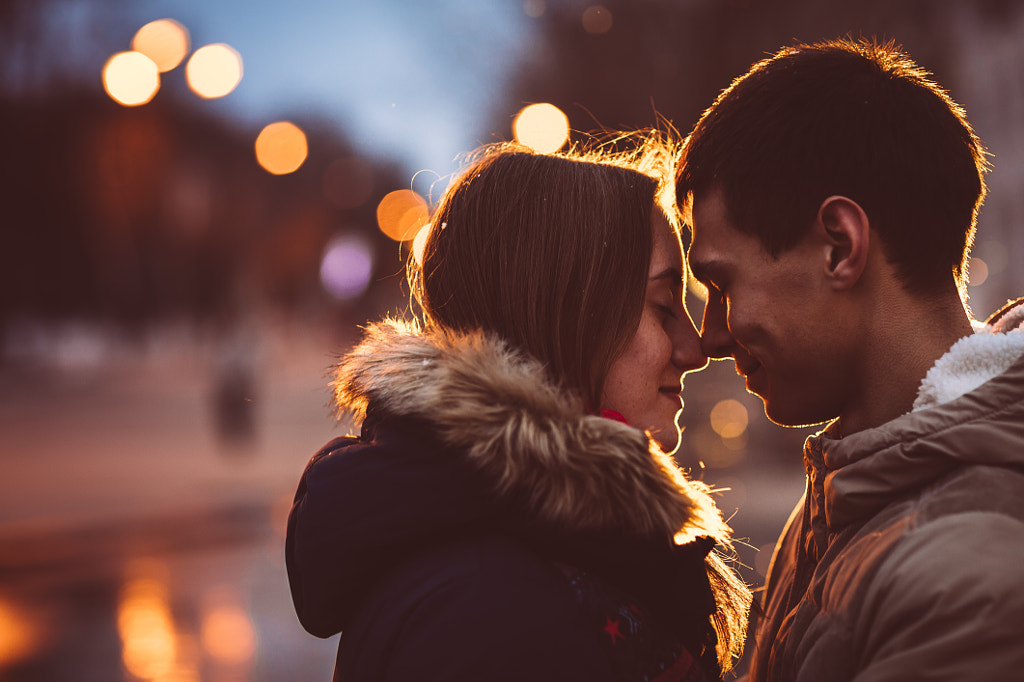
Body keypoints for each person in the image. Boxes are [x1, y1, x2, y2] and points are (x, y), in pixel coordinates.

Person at [286, 141, 751, 682]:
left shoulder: (527, 547)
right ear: (564, 312)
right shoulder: (486, 612)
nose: (695, 351)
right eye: (665, 307)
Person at [676, 37, 1024, 682]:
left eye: (722, 285)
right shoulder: (854, 490)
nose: (709, 339)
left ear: (840, 246)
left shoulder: (970, 571)